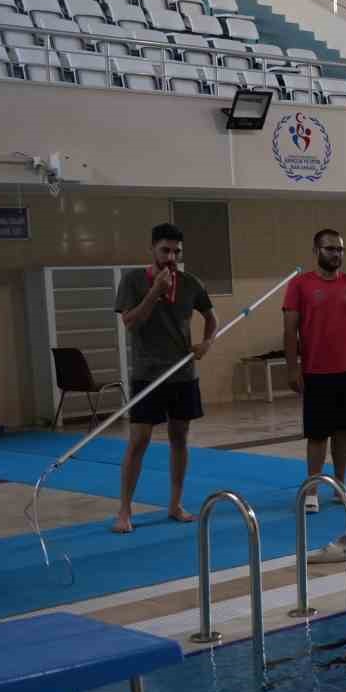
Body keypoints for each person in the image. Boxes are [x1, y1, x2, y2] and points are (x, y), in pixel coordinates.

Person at [111, 223, 217, 534]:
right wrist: (154, 293)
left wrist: (208, 342)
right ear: (153, 249)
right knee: (139, 440)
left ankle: (175, 503)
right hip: (148, 373)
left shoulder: (190, 283)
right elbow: (130, 322)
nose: (171, 257)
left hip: (182, 372)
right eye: (165, 251)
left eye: (176, 252)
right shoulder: (132, 281)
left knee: (179, 438)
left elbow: (211, 316)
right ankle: (124, 510)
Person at [283, 229, 346, 513]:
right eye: (329, 249)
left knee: (343, 431)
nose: (335, 254)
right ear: (316, 251)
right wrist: (293, 368)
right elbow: (290, 330)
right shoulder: (300, 285)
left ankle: (340, 485)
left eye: (339, 249)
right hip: (316, 370)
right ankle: (311, 489)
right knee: (317, 433)